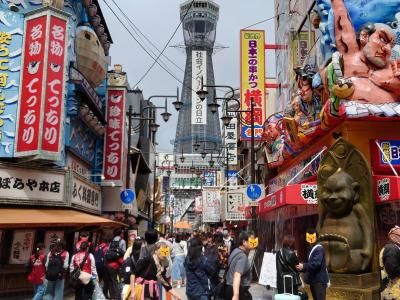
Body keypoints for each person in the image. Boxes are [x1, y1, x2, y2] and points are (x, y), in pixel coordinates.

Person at [330, 0, 400, 103]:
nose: (387, 49)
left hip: (389, 116)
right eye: (383, 39)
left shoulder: (392, 68)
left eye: (391, 46)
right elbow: (341, 15)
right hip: (351, 116)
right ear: (364, 36)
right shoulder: (350, 53)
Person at [130, 230, 181, 300]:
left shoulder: (144, 249)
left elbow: (162, 277)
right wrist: (132, 291)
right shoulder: (153, 253)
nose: (164, 254)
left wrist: (174, 293)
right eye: (162, 252)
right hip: (145, 288)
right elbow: (133, 273)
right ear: (156, 251)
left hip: (155, 282)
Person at [296, 228, 329, 300]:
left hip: (319, 281)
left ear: (316, 237)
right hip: (314, 280)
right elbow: (310, 262)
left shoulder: (319, 248)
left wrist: (303, 266)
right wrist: (302, 265)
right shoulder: (312, 248)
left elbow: (316, 264)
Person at [225, 231, 254, 300]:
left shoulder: (235, 251)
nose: (253, 243)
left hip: (231, 287)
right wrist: (236, 295)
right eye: (251, 240)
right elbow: (237, 275)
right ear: (244, 242)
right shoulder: (242, 256)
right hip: (239, 291)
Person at [381, 225, 400, 299]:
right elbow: (392, 269)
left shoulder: (392, 247)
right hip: (392, 288)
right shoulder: (392, 248)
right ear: (393, 236)